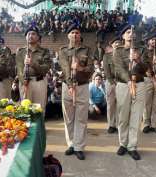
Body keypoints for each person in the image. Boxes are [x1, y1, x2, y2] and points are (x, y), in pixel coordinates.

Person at [59, 23, 94, 160]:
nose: (74, 34)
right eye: (72, 32)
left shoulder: (87, 50)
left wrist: (80, 68)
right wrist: (69, 84)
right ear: (68, 35)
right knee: (68, 118)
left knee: (81, 118)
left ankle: (79, 146)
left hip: (83, 86)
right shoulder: (62, 50)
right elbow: (65, 68)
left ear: (80, 35)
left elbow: (90, 68)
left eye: (77, 32)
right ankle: (71, 144)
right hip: (67, 86)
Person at [113, 24, 147, 160]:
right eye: (127, 32)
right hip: (124, 85)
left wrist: (138, 59)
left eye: (132, 32)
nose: (131, 34)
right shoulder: (118, 51)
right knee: (123, 116)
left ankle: (132, 146)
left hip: (139, 84)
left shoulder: (141, 50)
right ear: (123, 36)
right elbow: (119, 68)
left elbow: (146, 69)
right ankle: (123, 143)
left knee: (136, 116)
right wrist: (128, 81)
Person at [15, 25, 51, 111]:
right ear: (26, 37)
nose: (30, 36)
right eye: (29, 34)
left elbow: (45, 69)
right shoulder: (20, 51)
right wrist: (23, 81)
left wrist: (33, 64)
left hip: (39, 82)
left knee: (39, 110)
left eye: (33, 34)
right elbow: (18, 69)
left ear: (38, 37)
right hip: (25, 83)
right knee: (25, 111)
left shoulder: (44, 51)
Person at [142, 33, 156, 134]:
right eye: (152, 39)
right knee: (147, 102)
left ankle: (155, 124)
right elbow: (143, 63)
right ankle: (146, 124)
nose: (154, 41)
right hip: (148, 79)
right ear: (148, 41)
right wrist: (150, 71)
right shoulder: (145, 51)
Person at [103, 37, 121, 133]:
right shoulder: (107, 56)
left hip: (121, 82)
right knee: (110, 104)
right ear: (112, 45)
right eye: (115, 43)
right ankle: (111, 125)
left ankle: (118, 125)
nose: (117, 44)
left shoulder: (123, 55)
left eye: (119, 42)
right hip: (110, 82)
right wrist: (112, 82)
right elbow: (106, 70)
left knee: (120, 104)